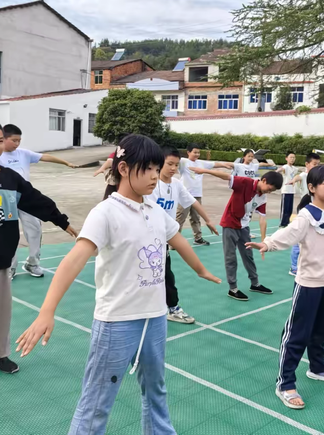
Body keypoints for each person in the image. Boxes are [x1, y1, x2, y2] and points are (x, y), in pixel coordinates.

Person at [16, 135, 221, 434]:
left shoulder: (154, 210)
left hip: (154, 318)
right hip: (117, 323)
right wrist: (47, 311)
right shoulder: (106, 213)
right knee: (97, 401)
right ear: (124, 169)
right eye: (148, 168)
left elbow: (176, 239)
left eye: (157, 168)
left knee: (156, 391)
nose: (155, 176)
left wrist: (202, 270)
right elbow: (73, 260)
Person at [246, 166, 324, 409]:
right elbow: (288, 234)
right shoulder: (307, 216)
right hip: (309, 286)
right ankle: (285, 383)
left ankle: (318, 367)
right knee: (297, 335)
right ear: (312, 188)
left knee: (321, 331)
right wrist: (267, 244)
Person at [0, 124, 77, 375]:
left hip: (1, 259)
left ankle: (1, 354)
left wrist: (63, 222)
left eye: (0, 140)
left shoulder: (9, 179)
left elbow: (37, 200)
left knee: (3, 311)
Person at [146, 147, 219, 324]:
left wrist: (208, 219)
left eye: (176, 165)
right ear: (159, 164)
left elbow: (193, 201)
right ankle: (164, 308)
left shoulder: (177, 184)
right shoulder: (152, 185)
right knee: (155, 275)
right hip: (149, 239)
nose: (173, 168)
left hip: (165, 238)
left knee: (165, 275)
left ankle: (171, 308)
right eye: (169, 164)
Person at [191, 166, 282, 301]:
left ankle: (255, 284)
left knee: (248, 256)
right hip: (230, 225)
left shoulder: (263, 197)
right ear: (264, 180)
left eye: (272, 191)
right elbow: (226, 176)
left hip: (244, 227)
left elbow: (262, 219)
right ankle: (233, 288)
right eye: (270, 188)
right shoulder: (245, 182)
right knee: (231, 257)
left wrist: (263, 242)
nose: (269, 192)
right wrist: (205, 171)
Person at [0, 124, 78, 279]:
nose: (17, 144)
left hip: (21, 201)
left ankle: (31, 263)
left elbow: (38, 200)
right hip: (9, 203)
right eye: (14, 140)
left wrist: (61, 221)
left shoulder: (12, 176)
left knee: (33, 230)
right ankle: (11, 266)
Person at [176, 143, 230, 246]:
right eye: (194, 152)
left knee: (196, 218)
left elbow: (214, 164)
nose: (197, 154)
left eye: (198, 152)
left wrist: (224, 165)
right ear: (188, 152)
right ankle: (174, 241)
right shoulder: (183, 162)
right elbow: (171, 159)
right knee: (180, 218)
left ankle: (198, 238)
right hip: (184, 195)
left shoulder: (201, 163)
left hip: (197, 195)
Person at [285, 152, 321, 276]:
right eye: (314, 164)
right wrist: (293, 181)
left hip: (315, 212)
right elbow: (298, 177)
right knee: (298, 240)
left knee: (312, 239)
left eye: (318, 164)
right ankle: (294, 267)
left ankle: (308, 265)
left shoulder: (318, 178)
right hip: (304, 210)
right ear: (307, 164)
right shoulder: (305, 175)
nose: (316, 166)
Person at [277, 151, 298, 227]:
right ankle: (282, 223)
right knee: (285, 209)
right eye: (291, 157)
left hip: (292, 191)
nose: (292, 159)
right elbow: (281, 169)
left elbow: (300, 171)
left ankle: (287, 222)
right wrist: (276, 172)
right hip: (285, 190)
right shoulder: (286, 166)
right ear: (286, 158)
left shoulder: (294, 168)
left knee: (289, 209)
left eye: (293, 157)